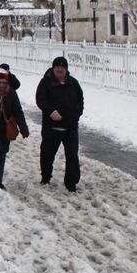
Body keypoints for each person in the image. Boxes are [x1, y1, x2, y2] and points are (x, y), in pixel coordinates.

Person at [36, 56, 84, 193]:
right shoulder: (46, 83)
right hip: (52, 127)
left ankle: (71, 182)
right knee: (47, 154)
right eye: (57, 70)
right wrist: (51, 111)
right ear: (53, 69)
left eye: (62, 70)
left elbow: (80, 100)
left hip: (70, 127)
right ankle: (46, 176)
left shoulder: (73, 83)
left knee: (72, 156)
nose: (60, 72)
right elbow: (40, 99)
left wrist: (77, 114)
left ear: (66, 70)